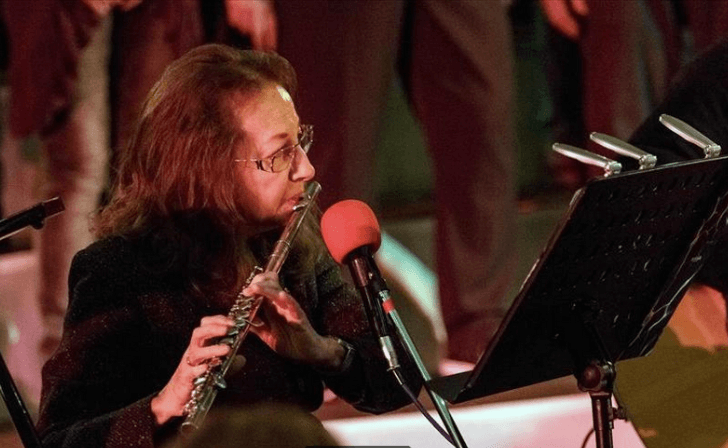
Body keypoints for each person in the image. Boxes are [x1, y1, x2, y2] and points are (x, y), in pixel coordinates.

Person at [36, 44, 419, 448]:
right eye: (279, 154)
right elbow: (58, 441)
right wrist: (163, 406)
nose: (306, 168)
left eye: (300, 142)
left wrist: (324, 352)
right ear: (209, 166)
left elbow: (399, 383)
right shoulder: (117, 271)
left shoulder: (294, 249)